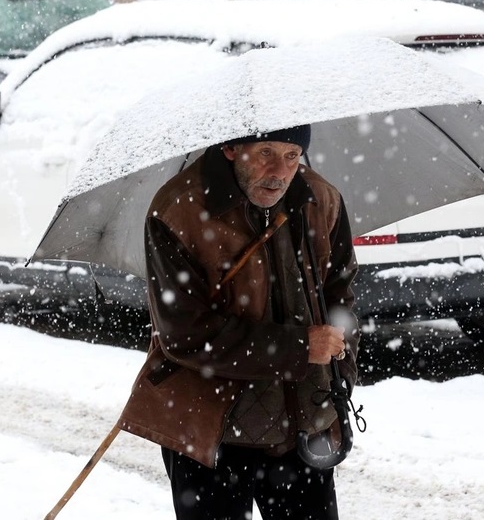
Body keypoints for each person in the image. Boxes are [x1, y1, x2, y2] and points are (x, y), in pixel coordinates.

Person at [117, 124, 360, 520]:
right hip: (209, 432)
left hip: (300, 427)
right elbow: (184, 334)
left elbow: (342, 293)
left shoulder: (320, 199)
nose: (280, 171)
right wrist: (300, 347)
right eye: (265, 152)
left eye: (291, 155)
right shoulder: (179, 210)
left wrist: (340, 373)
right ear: (231, 147)